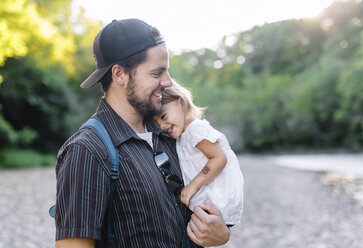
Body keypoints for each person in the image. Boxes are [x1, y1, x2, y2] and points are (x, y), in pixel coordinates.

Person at [54, 18, 231, 248]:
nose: (167, 82)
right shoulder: (87, 150)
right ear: (119, 75)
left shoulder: (169, 133)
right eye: (157, 73)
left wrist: (221, 235)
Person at [153, 81, 244, 227]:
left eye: (163, 116)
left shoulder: (196, 130)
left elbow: (219, 158)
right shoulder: (183, 134)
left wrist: (192, 186)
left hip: (218, 201)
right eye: (157, 124)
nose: (162, 126)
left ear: (181, 103)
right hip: (210, 202)